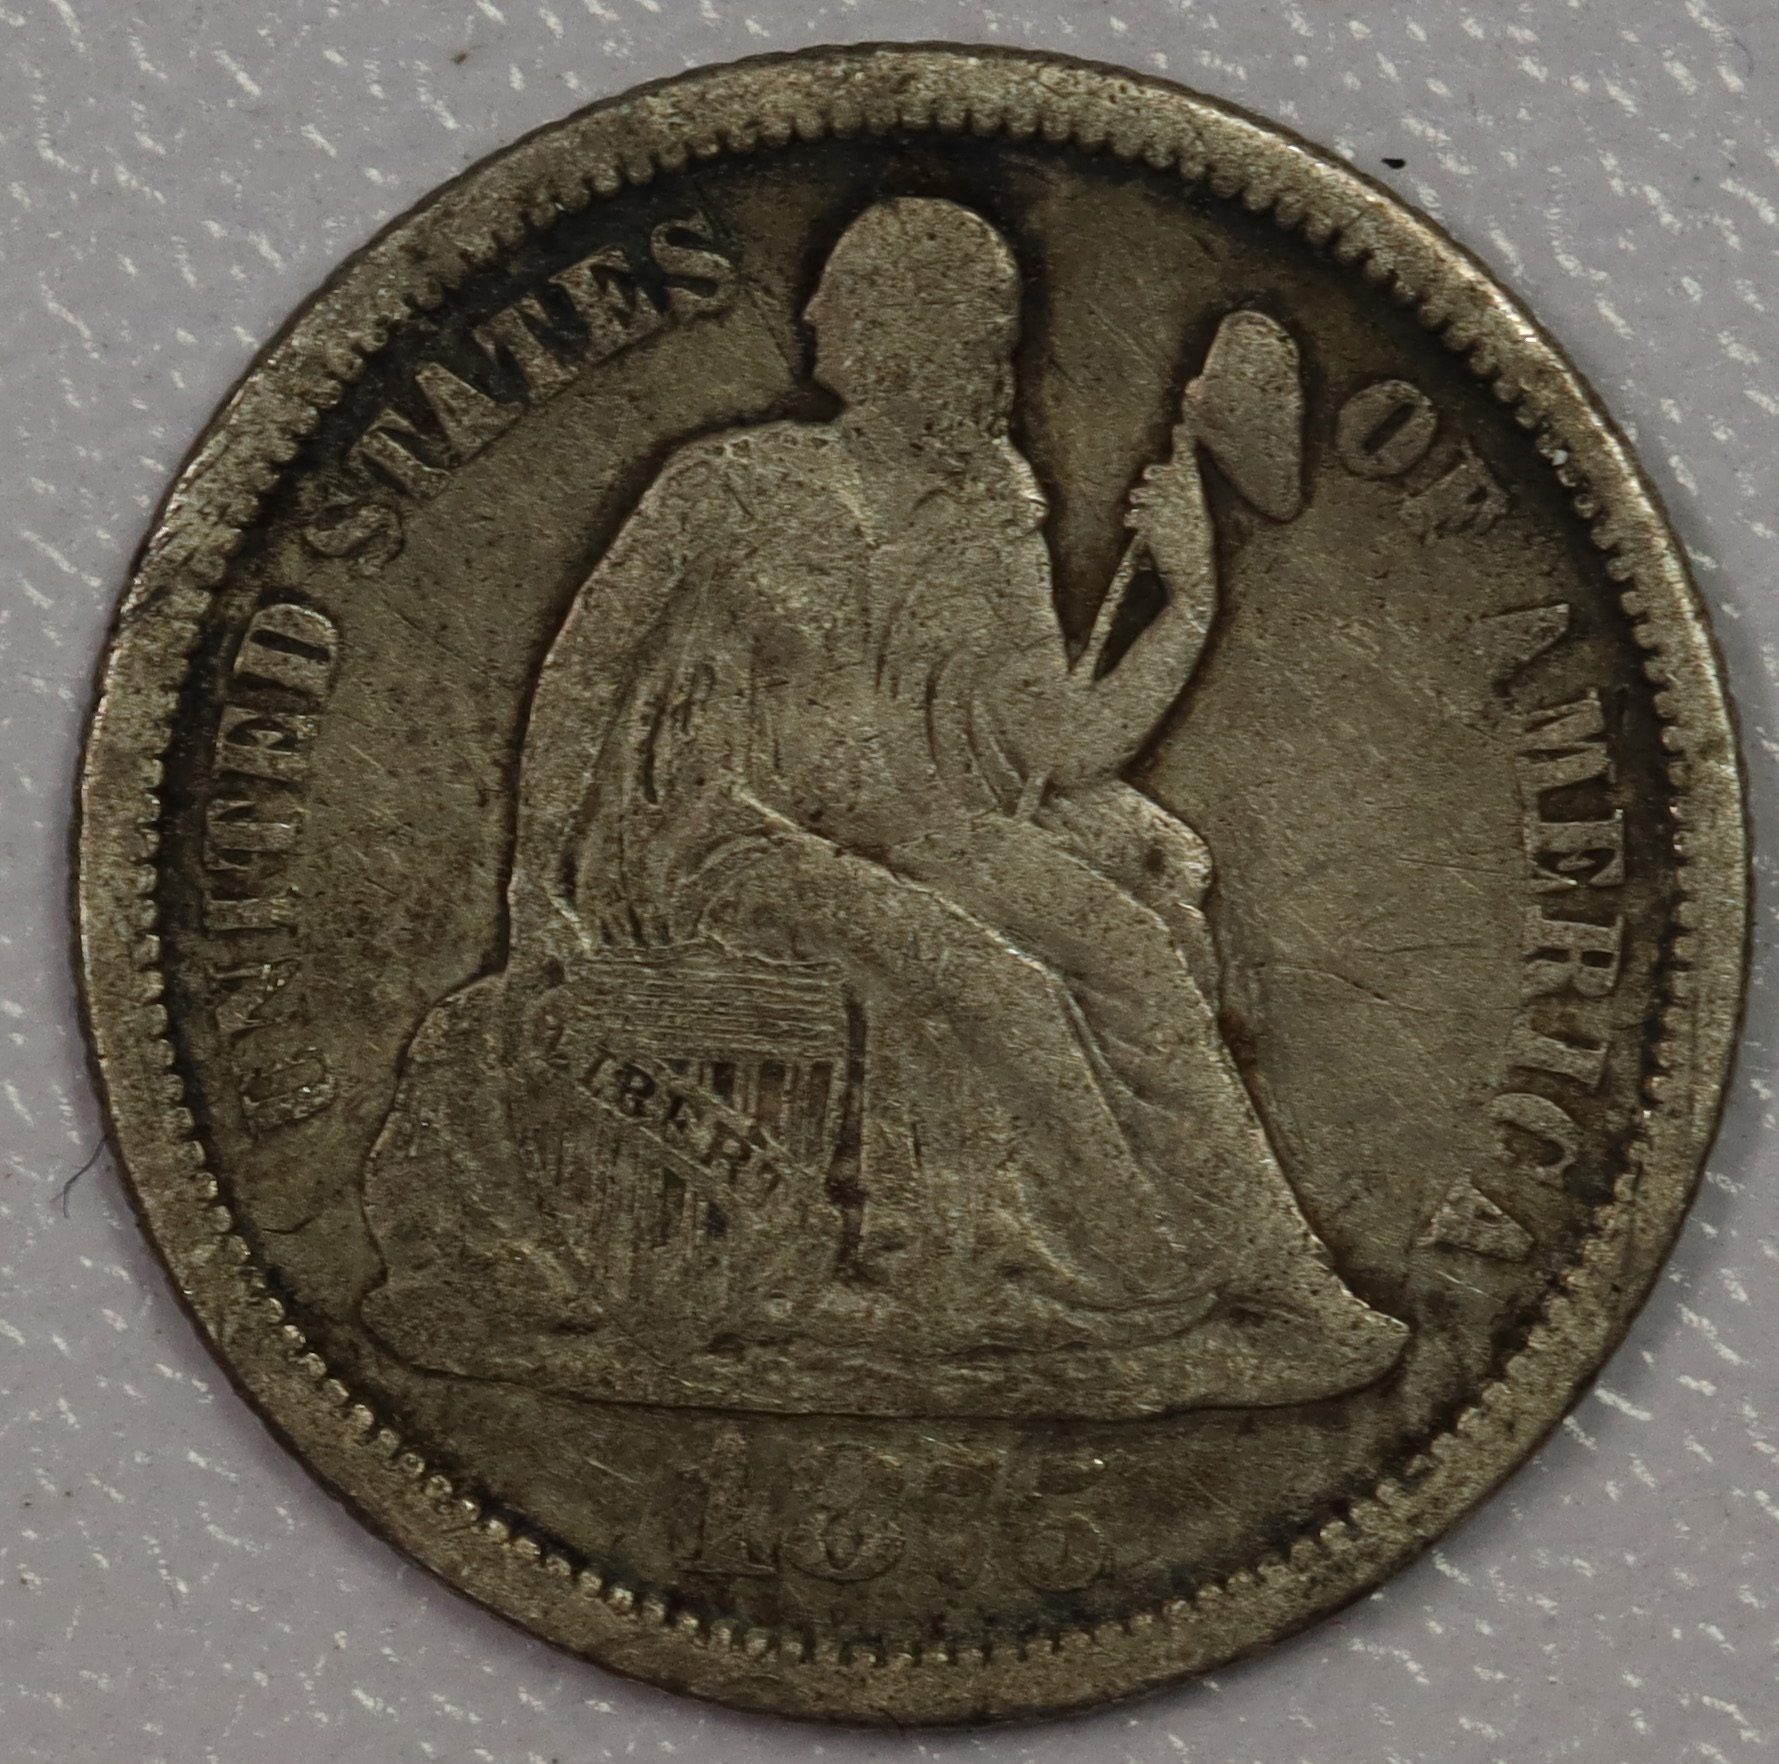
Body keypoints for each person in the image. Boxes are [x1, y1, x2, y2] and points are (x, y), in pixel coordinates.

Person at [366, 197, 1407, 1415]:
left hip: (918, 828)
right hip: (729, 843)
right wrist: (534, 876)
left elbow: (1062, 747)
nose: (812, 314)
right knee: (997, 985)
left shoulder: (993, 505)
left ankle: (1282, 1282)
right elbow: (585, 673)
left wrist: (1190, 597)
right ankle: (1146, 1282)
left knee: (1126, 947)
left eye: (846, 293)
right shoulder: (732, 483)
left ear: (915, 334)